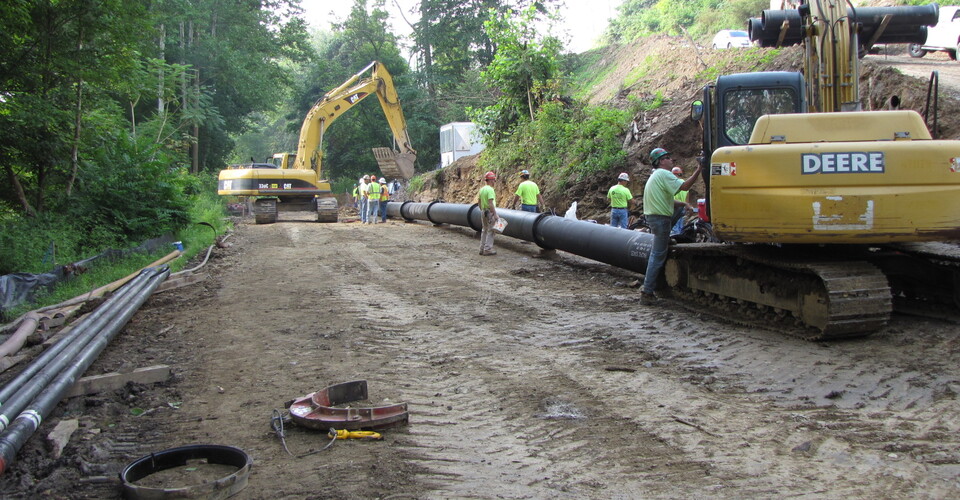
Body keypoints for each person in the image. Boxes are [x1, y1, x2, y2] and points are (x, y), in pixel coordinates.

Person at [640, 147, 703, 304]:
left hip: (654, 217)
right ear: (661, 161)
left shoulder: (656, 175)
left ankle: (666, 238)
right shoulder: (664, 173)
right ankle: (647, 292)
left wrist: (683, 204)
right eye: (668, 158)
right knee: (657, 255)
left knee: (679, 208)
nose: (671, 160)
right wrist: (699, 169)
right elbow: (685, 186)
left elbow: (668, 200)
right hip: (660, 219)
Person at [478, 171, 498, 256]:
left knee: (484, 230)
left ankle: (481, 249)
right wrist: (495, 214)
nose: (494, 182)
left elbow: (479, 202)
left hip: (483, 211)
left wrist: (482, 210)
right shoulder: (490, 190)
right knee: (491, 231)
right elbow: (491, 203)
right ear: (491, 180)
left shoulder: (482, 189)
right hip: (490, 212)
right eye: (494, 180)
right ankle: (487, 249)